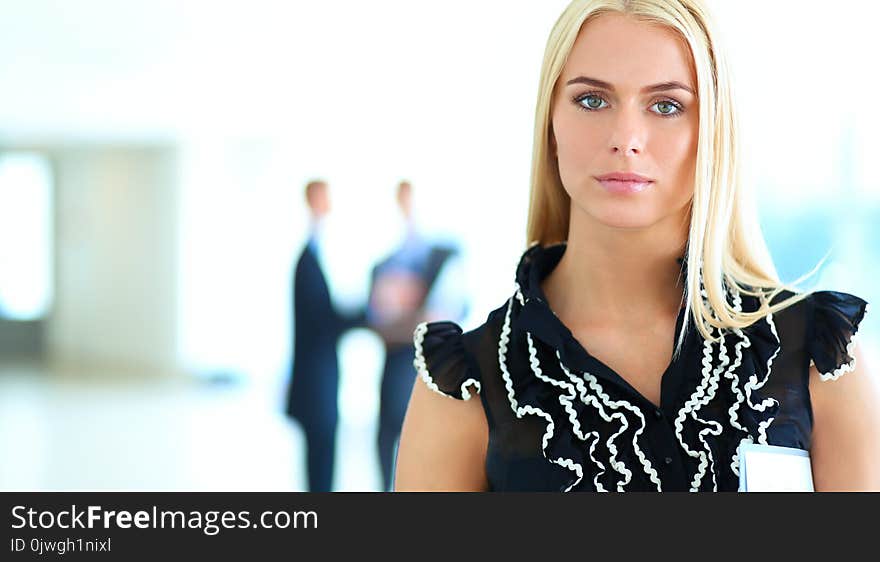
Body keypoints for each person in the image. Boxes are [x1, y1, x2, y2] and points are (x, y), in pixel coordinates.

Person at [395, 0, 879, 492]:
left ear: (713, 130)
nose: (626, 138)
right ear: (551, 124)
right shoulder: (465, 386)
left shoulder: (820, 360)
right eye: (592, 100)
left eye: (666, 105)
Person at [367, 180, 467, 491]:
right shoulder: (383, 265)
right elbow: (378, 323)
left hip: (436, 376)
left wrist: (408, 307)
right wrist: (413, 311)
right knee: (389, 450)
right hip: (395, 373)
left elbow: (448, 314)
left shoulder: (446, 256)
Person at [285, 179, 364, 492]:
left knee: (321, 462)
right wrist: (370, 315)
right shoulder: (307, 260)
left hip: (318, 381)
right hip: (315, 384)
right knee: (320, 465)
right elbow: (323, 321)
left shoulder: (314, 255)